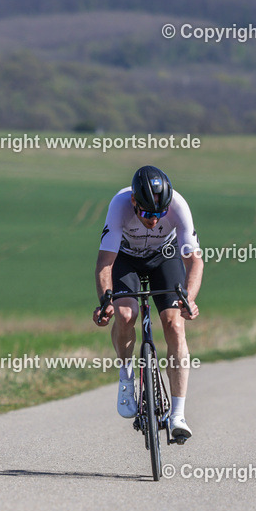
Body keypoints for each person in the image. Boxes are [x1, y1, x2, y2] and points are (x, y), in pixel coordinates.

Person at [92, 166, 203, 442]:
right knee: (125, 314)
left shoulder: (178, 205)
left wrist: (189, 297)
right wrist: (105, 300)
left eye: (159, 214)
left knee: (174, 324)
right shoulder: (119, 204)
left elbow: (194, 261)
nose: (153, 220)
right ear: (134, 202)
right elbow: (105, 264)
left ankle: (178, 414)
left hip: (164, 258)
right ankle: (127, 376)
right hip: (126, 259)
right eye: (146, 214)